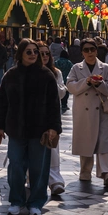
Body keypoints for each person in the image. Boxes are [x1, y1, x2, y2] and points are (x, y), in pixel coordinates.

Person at [0, 39, 62, 215]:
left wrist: (54, 127)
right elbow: (3, 103)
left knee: (39, 168)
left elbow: (54, 104)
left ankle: (36, 203)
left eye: (35, 51)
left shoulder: (46, 75)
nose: (33, 54)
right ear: (21, 54)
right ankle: (16, 200)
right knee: (16, 165)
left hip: (40, 129)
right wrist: (0, 126)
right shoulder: (10, 75)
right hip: (16, 129)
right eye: (29, 52)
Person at [66, 38, 108, 187]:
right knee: (86, 141)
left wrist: (100, 84)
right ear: (82, 52)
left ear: (97, 50)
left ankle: (106, 172)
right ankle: (85, 171)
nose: (90, 53)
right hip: (83, 110)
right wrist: (87, 82)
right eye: (86, 50)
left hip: (101, 109)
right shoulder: (76, 68)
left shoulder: (105, 68)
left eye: (92, 49)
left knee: (103, 140)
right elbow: (70, 86)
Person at [38, 42, 67, 196]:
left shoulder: (56, 73)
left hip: (51, 115)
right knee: (34, 147)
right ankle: (32, 178)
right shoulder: (29, 72)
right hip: (34, 116)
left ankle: (55, 180)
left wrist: (52, 85)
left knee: (53, 147)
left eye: (46, 53)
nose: (44, 56)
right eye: (41, 53)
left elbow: (62, 92)